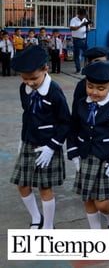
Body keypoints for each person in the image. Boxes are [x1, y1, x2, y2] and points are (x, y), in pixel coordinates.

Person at [67, 60, 109, 245]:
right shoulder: (81, 104)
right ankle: (95, 232)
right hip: (85, 158)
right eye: (90, 86)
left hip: (107, 160)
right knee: (88, 199)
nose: (94, 92)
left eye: (100, 88)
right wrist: (73, 152)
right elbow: (73, 129)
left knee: (102, 202)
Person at [9, 45, 71, 229]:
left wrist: (52, 147)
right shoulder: (24, 89)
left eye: (33, 78)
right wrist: (22, 139)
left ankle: (48, 226)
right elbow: (27, 115)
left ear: (46, 69)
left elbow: (65, 122)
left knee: (45, 188)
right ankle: (36, 217)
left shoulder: (54, 91)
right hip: (29, 142)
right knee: (22, 184)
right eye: (25, 78)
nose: (29, 82)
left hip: (47, 146)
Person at [70, 8, 90, 74]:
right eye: (83, 15)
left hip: (84, 39)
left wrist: (87, 27)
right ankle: (78, 69)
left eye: (85, 15)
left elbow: (88, 30)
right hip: (76, 40)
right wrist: (81, 25)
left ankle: (87, 67)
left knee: (87, 54)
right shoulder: (74, 19)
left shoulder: (85, 20)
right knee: (77, 55)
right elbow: (72, 28)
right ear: (79, 14)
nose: (84, 16)